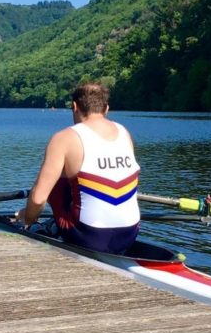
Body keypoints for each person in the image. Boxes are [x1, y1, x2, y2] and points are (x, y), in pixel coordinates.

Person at [21, 82, 140, 253]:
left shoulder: (64, 138)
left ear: (74, 106)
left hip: (89, 237)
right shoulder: (124, 132)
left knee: (55, 183)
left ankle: (50, 226)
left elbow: (39, 199)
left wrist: (26, 219)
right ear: (106, 109)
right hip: (129, 234)